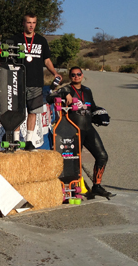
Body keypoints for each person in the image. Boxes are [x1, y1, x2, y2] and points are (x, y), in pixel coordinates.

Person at [51, 67, 115, 198]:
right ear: (70, 77)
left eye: (78, 74)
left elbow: (92, 107)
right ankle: (70, 188)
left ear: (82, 75)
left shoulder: (87, 90)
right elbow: (50, 96)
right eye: (73, 75)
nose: (76, 76)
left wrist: (101, 113)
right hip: (73, 131)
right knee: (73, 161)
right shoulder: (67, 89)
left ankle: (96, 186)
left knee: (102, 156)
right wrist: (65, 94)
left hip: (88, 129)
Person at [10, 13, 61, 151]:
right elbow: (7, 57)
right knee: (17, 112)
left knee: (33, 112)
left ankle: (28, 141)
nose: (31, 25)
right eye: (28, 22)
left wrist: (55, 73)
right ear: (23, 23)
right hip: (18, 82)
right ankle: (15, 141)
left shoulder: (41, 40)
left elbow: (47, 60)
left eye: (33, 23)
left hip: (36, 82)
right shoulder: (16, 39)